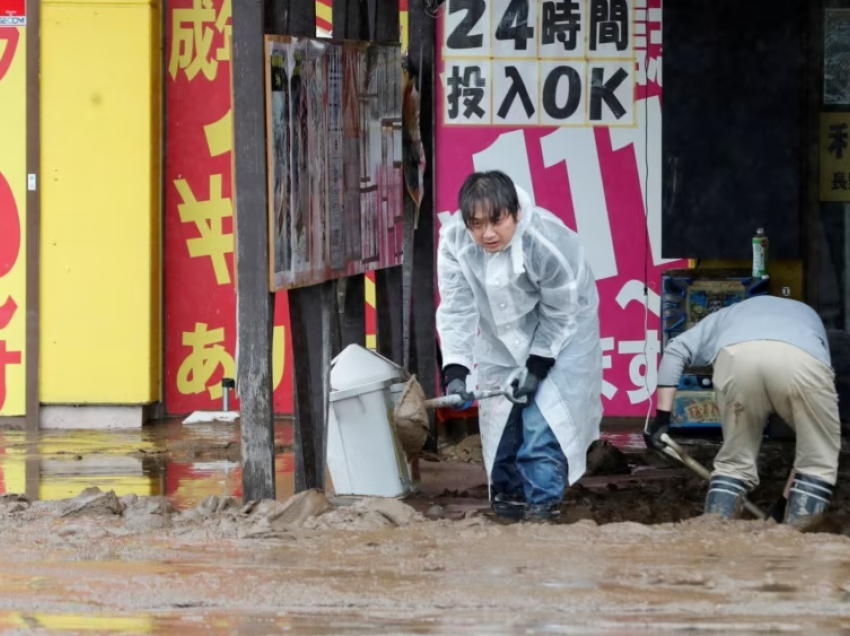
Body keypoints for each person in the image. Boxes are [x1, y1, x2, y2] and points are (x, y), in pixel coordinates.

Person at [436, 170, 603, 522]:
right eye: (477, 224)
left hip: (564, 333)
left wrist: (538, 366)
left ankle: (543, 515)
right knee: (500, 428)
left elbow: (562, 311)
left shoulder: (547, 243)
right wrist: (456, 371)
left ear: (516, 213)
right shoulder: (454, 242)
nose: (488, 234)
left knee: (543, 425)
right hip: (499, 339)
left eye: (497, 221)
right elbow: (456, 308)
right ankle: (508, 509)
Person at [644, 295, 841, 528]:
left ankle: (712, 542)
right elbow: (810, 449)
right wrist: (784, 505)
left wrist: (662, 419)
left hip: (738, 359)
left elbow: (675, 350)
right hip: (802, 360)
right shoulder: (809, 316)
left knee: (733, 465)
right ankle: (798, 546)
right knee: (817, 462)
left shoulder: (726, 315)